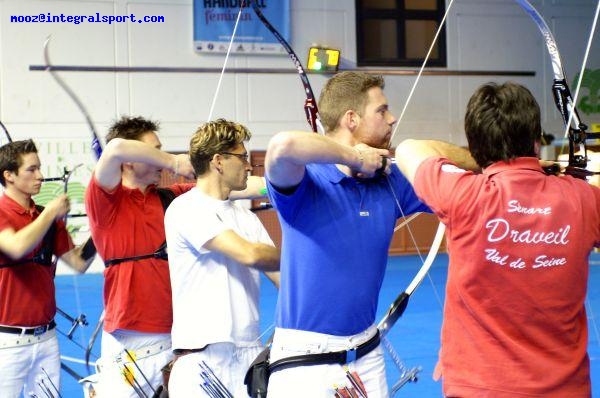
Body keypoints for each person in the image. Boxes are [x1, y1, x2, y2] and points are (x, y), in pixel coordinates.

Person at [263, 71, 477, 397]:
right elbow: (283, 146)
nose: (392, 119)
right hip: (305, 358)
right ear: (351, 119)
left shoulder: (390, 180)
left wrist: (482, 160)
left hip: (366, 353)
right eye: (382, 110)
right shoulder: (308, 180)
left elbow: (457, 176)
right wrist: (354, 157)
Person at [394, 81, 600, 397]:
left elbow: (408, 148)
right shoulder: (584, 200)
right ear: (536, 141)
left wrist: (477, 159)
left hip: (479, 389)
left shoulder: (462, 193)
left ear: (475, 146)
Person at [84, 116, 267, 397]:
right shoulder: (107, 199)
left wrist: (287, 187)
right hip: (130, 342)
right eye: (153, 150)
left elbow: (241, 185)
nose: (160, 156)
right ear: (131, 161)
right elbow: (116, 148)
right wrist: (172, 161)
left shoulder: (172, 197)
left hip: (174, 340)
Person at [164, 118, 279, 397]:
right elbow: (250, 254)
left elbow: (285, 278)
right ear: (218, 161)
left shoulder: (246, 218)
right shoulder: (185, 208)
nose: (249, 166)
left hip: (249, 356)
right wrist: (309, 256)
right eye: (242, 158)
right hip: (202, 361)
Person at [0, 139, 94, 397]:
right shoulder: (4, 213)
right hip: (7, 343)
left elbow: (78, 262)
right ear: (8, 175)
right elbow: (16, 247)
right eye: (31, 169)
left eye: (40, 168)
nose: (40, 176)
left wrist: (102, 227)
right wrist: (50, 213)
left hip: (46, 340)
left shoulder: (45, 217)